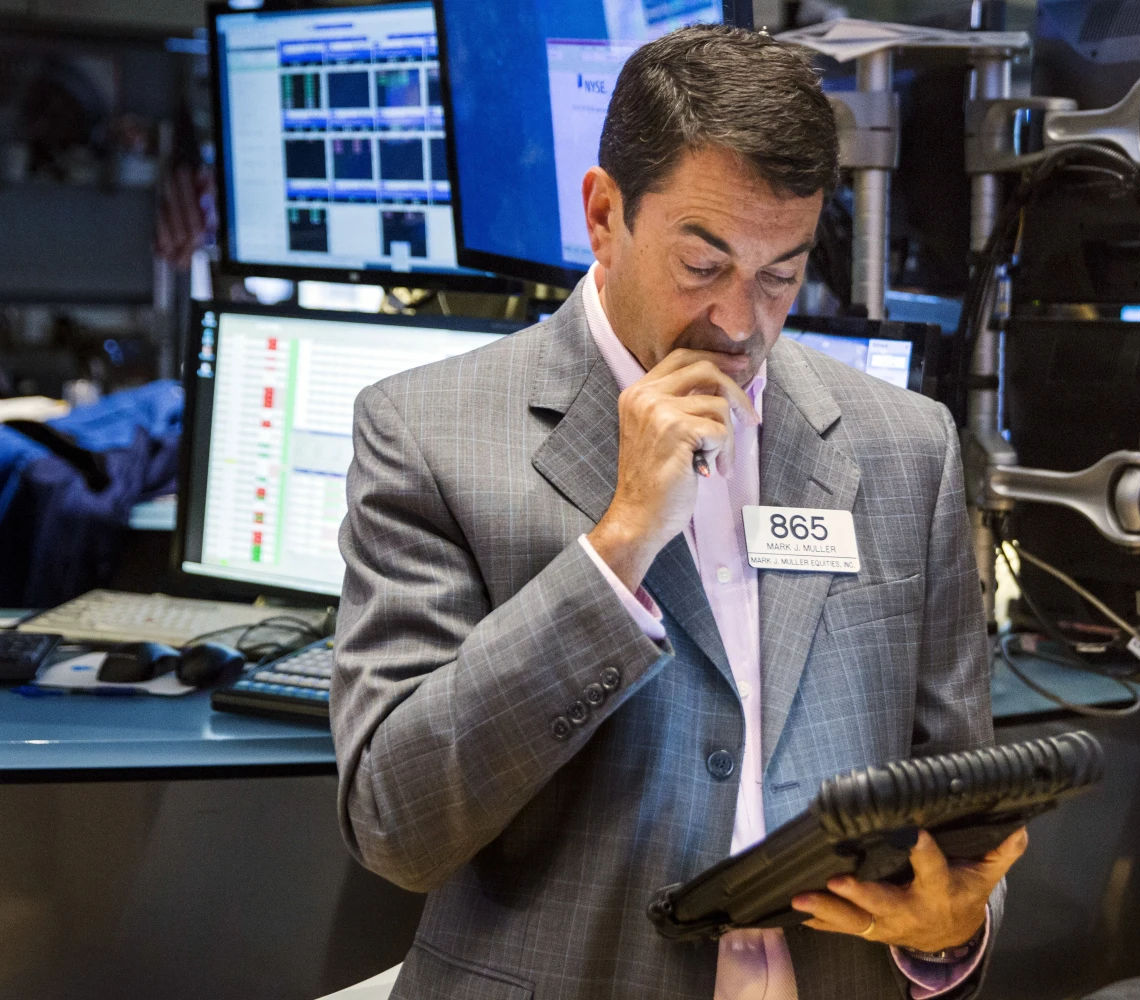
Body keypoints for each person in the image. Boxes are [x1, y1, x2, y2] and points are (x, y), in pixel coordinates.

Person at [331, 25, 1024, 1000]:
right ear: (605, 215)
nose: (742, 323)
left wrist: (949, 934)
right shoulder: (424, 431)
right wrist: (617, 548)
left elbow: (956, 808)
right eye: (703, 265)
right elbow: (395, 824)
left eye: (780, 273)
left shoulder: (905, 444)